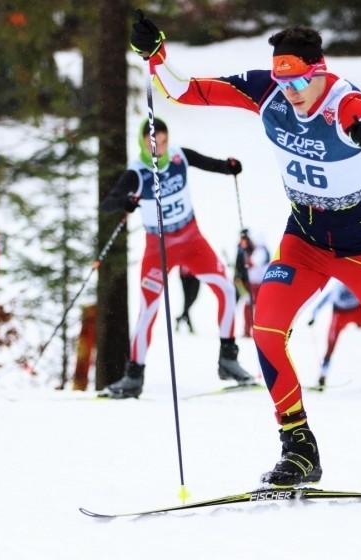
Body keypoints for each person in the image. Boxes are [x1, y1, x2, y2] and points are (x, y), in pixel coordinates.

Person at [130, 16, 361, 500]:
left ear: (319, 71)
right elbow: (182, 91)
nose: (292, 91)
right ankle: (299, 448)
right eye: (283, 80)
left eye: (300, 79)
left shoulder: (347, 104)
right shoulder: (269, 92)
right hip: (303, 240)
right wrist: (155, 54)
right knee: (265, 329)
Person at [100, 117, 254, 398]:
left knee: (227, 290)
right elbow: (108, 204)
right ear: (143, 143)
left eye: (163, 140)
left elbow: (211, 164)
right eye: (152, 142)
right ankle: (133, 376)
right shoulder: (137, 172)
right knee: (148, 310)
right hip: (158, 247)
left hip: (192, 239)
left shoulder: (180, 157)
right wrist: (125, 202)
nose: (159, 147)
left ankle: (228, 359)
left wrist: (229, 167)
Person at [307, 280, 361, 388]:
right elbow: (324, 300)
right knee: (331, 345)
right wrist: (313, 316)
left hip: (357, 311)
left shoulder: (355, 281)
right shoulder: (337, 287)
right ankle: (322, 378)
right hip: (340, 314)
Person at [235, 229, 271, 337]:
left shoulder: (261, 251)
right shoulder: (255, 249)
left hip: (258, 284)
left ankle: (257, 331)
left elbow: (251, 263)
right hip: (251, 283)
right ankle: (248, 330)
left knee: (256, 308)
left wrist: (246, 257)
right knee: (249, 306)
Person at [176, 266, 200, 333]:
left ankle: (181, 317)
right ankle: (189, 325)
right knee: (187, 301)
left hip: (195, 275)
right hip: (185, 275)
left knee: (191, 300)